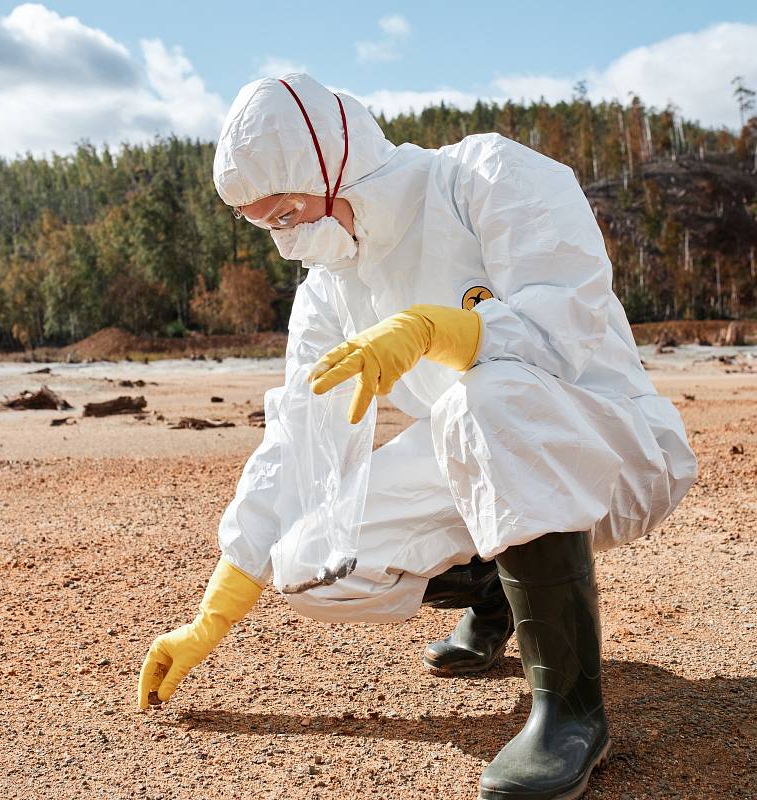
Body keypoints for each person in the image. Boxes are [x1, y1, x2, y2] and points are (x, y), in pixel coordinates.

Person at [138, 73, 697, 799]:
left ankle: (570, 713)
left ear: (328, 163)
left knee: (483, 393)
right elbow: (298, 441)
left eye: (286, 209)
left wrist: (442, 329)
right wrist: (211, 615)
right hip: (485, 455)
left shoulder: (483, 176)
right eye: (262, 224)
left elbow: (568, 323)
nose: (284, 238)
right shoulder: (326, 290)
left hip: (612, 444)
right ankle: (501, 587)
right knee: (311, 564)